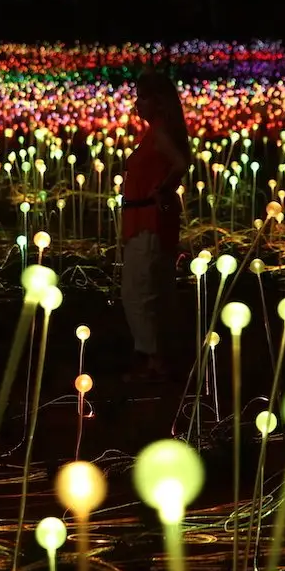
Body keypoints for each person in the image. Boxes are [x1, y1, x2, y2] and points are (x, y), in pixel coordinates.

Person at [120, 68, 191, 382]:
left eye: (142, 97)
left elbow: (181, 163)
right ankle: (158, 356)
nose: (137, 104)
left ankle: (155, 361)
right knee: (154, 287)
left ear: (159, 102)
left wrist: (163, 188)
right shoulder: (156, 131)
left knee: (140, 290)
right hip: (145, 217)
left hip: (149, 219)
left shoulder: (160, 132)